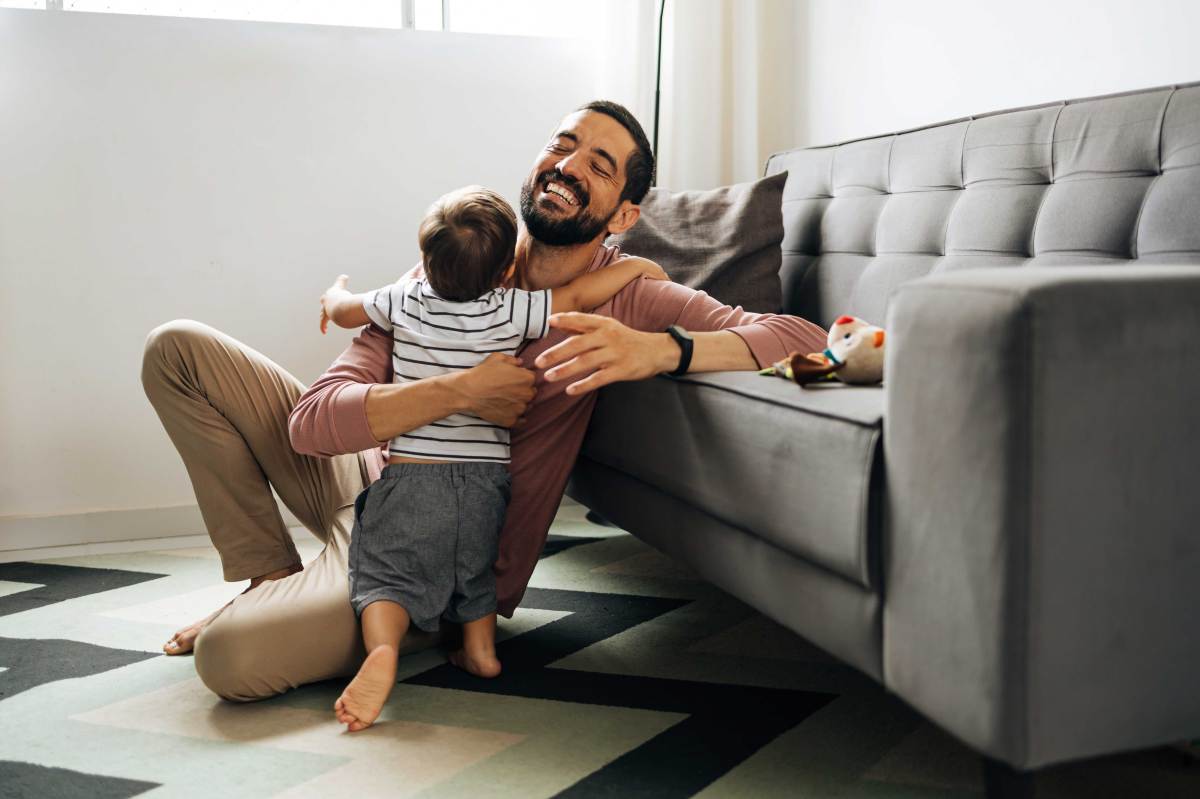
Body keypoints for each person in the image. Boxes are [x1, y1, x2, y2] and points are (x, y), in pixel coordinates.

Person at [140, 99, 828, 702]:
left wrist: (660, 350)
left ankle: (382, 618)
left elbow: (802, 338)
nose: (569, 165)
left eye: (599, 163)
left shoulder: (631, 294)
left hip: (440, 553)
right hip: (367, 480)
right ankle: (270, 577)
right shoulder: (458, 264)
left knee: (227, 659)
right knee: (177, 349)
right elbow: (314, 423)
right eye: (563, 144)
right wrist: (461, 391)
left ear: (623, 213)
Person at [317, 184, 668, 730]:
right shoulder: (510, 310)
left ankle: (381, 650)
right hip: (485, 480)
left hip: (413, 475)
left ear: (425, 260)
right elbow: (577, 296)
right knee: (473, 569)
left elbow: (342, 313)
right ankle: (481, 651)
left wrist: (335, 293)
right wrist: (634, 267)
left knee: (385, 575)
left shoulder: (403, 298)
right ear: (509, 267)